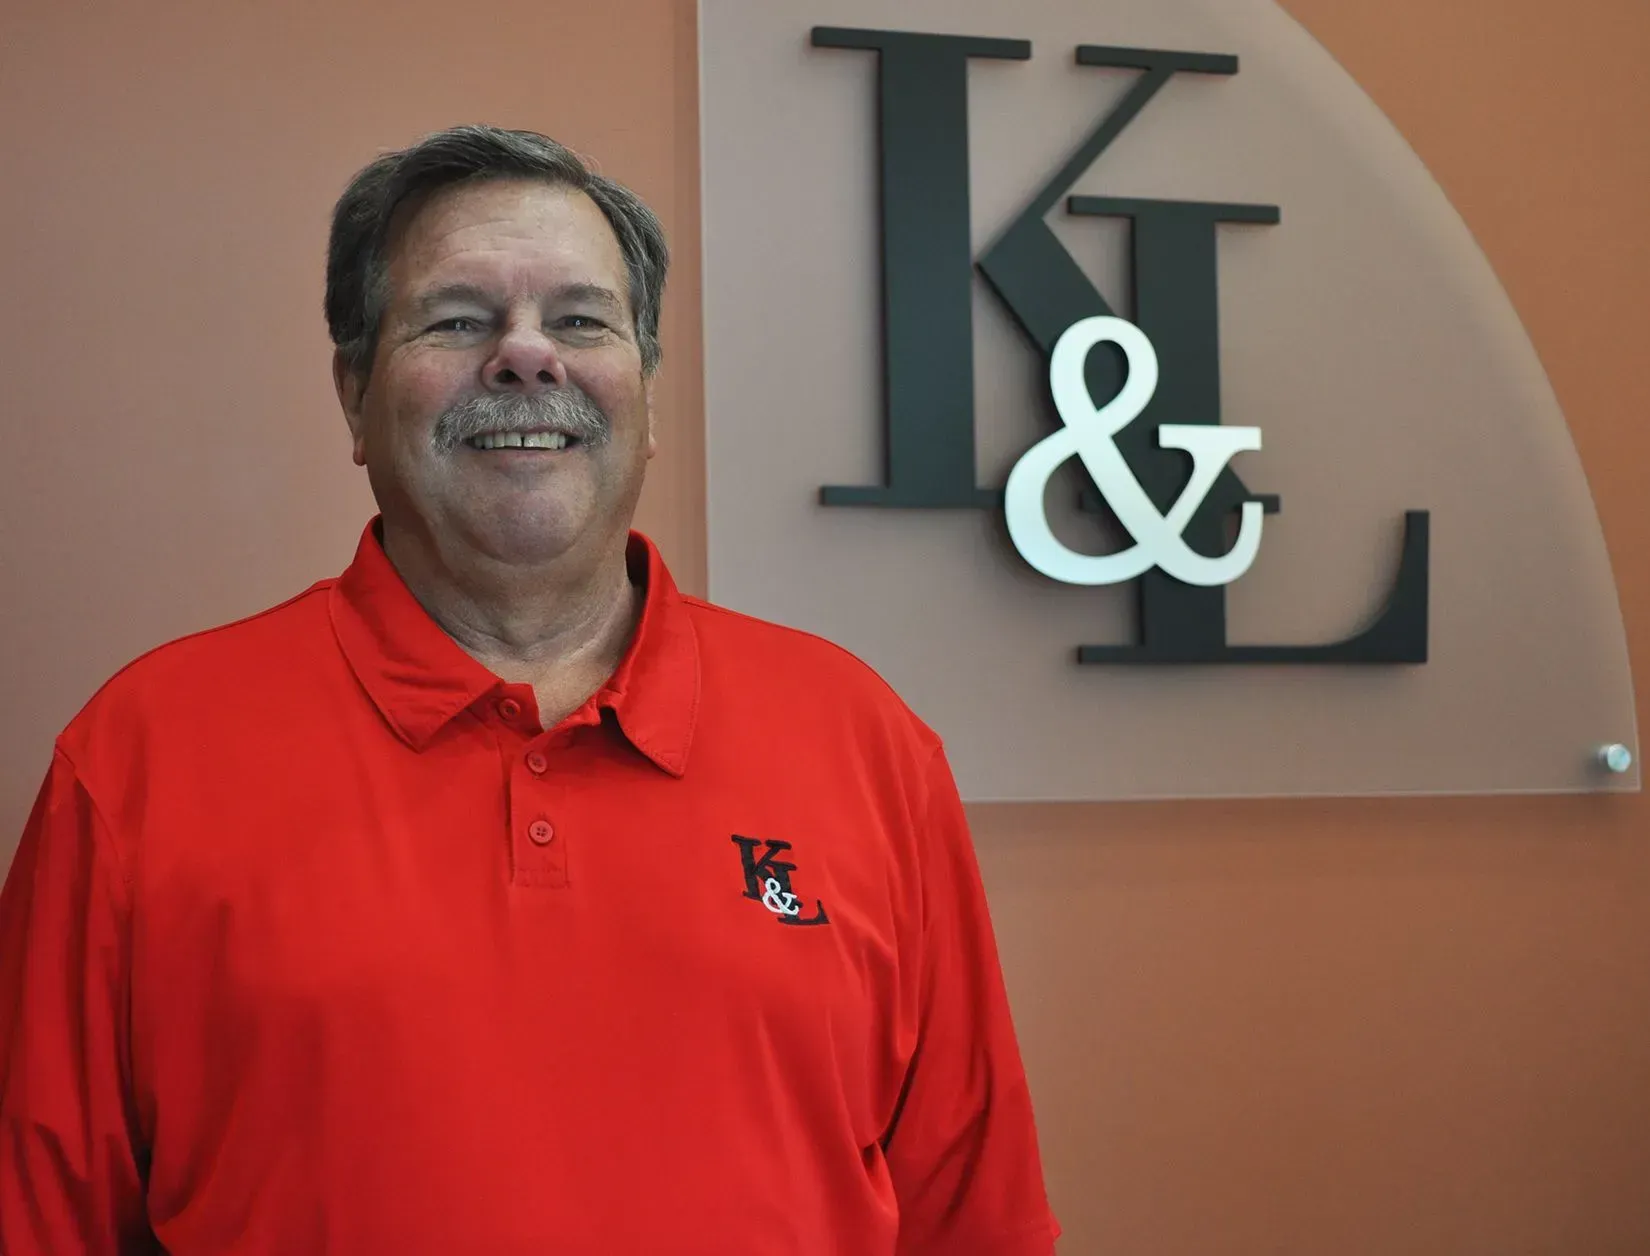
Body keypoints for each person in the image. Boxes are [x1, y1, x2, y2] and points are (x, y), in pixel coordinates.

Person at [0, 124, 1058, 1255]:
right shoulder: (141, 756)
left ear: (646, 392)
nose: (525, 356)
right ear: (355, 394)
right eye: (457, 319)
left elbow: (974, 1215)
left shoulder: (864, 740)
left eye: (580, 320)